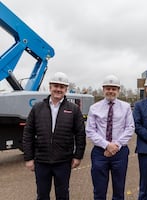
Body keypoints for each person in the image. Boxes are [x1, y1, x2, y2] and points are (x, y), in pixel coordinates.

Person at [23, 72, 86, 200]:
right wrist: (29, 158)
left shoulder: (73, 109)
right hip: (41, 161)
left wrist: (78, 156)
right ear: (50, 87)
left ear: (66, 89)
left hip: (63, 162)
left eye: (62, 87)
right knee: (42, 195)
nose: (58, 89)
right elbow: (28, 133)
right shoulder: (37, 108)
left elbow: (80, 134)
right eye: (55, 86)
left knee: (62, 195)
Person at [86, 74, 135, 200]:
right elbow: (90, 130)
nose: (111, 91)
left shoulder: (126, 107)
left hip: (120, 153)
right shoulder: (94, 108)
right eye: (108, 88)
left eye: (114, 89)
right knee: (99, 191)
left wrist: (116, 145)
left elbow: (130, 128)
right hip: (99, 152)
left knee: (119, 190)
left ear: (118, 90)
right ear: (103, 89)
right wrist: (107, 145)